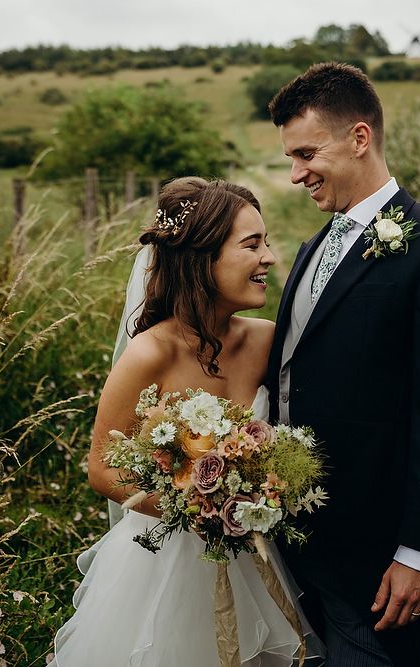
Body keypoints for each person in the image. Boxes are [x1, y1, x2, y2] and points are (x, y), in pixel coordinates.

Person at [265, 62, 420, 666]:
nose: (295, 175)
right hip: (291, 542)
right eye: (290, 157)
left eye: (307, 153)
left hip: (376, 561)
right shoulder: (315, 245)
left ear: (359, 138)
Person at [50, 177, 323, 666]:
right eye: (252, 244)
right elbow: (100, 468)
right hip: (164, 568)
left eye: (266, 241)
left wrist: (263, 494)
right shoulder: (149, 354)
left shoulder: (267, 342)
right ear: (203, 259)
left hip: (261, 557)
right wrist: (202, 511)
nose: (270, 257)